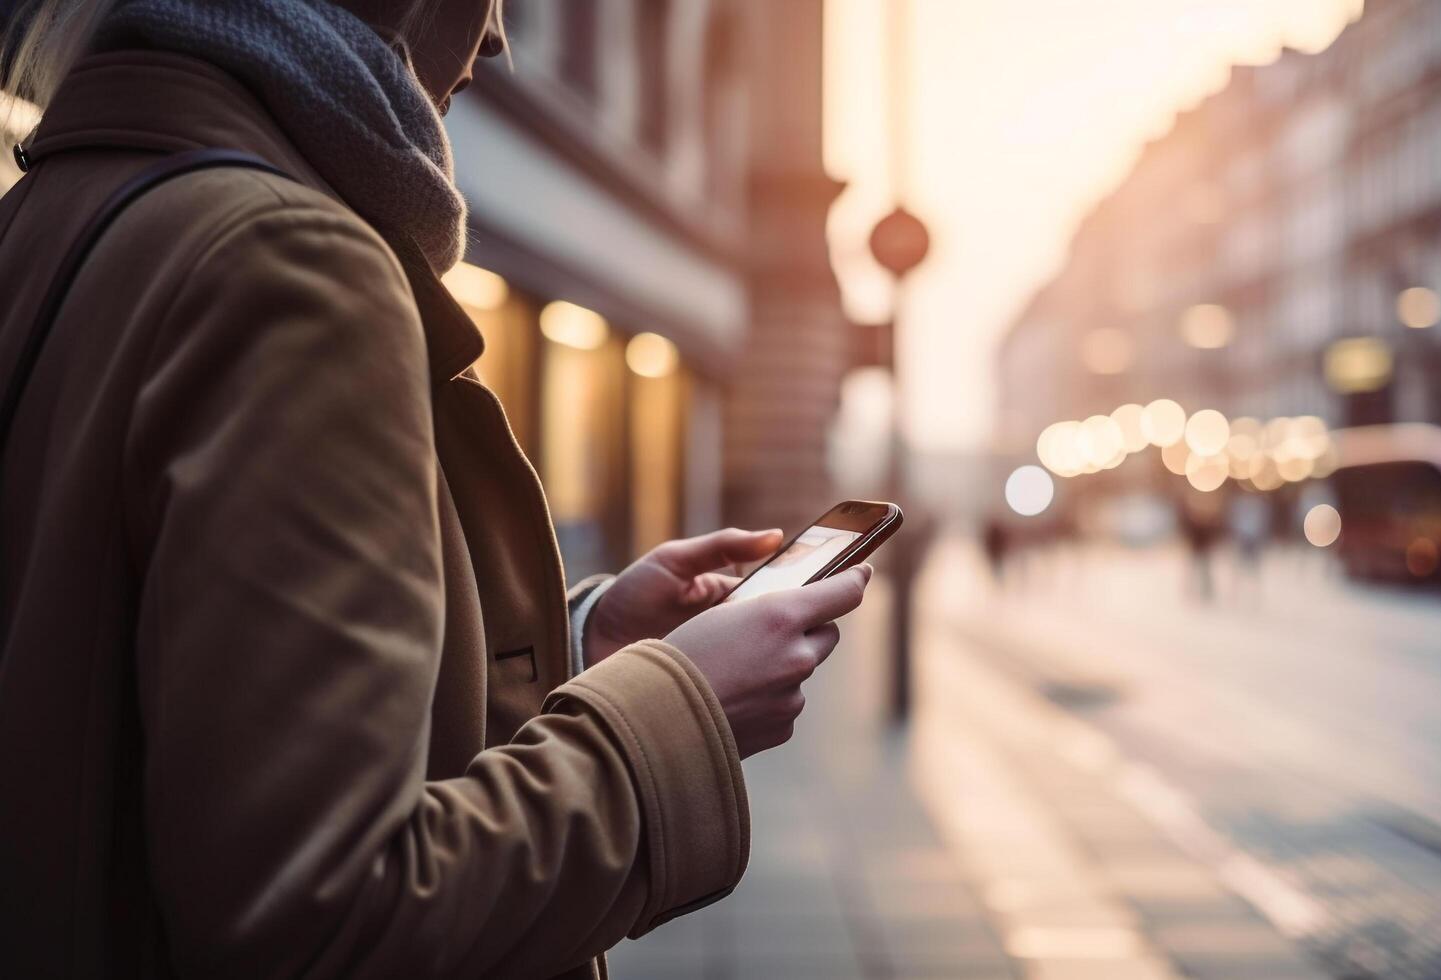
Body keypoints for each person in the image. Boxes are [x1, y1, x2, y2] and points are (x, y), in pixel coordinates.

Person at [0, 0, 870, 976]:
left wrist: (584, 641)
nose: (495, 37)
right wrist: (684, 706)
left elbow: (143, 682)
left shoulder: (51, 213)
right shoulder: (291, 264)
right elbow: (328, 918)